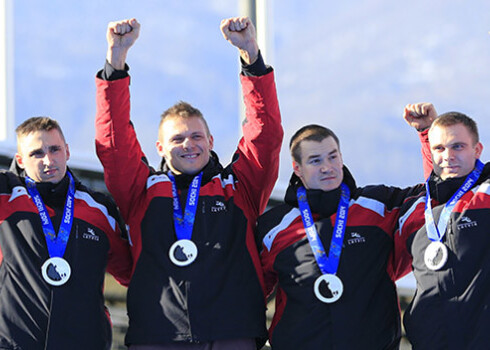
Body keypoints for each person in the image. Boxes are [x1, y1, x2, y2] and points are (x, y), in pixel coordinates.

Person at [95, 17, 282, 349]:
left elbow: (264, 134)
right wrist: (115, 64)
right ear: (160, 148)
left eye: (196, 136)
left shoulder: (239, 186)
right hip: (158, 333)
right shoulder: (143, 190)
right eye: (177, 138)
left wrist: (252, 58)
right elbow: (114, 144)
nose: (188, 144)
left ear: (210, 140)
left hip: (233, 331)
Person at [256, 123, 430, 349]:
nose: (327, 167)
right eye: (315, 160)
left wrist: (427, 134)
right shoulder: (274, 226)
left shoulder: (378, 205)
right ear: (297, 168)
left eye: (332, 157)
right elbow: (252, 294)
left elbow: (432, 197)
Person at [0, 116, 132, 350]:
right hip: (14, 341)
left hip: (83, 342)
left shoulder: (100, 208)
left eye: (54, 149)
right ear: (20, 160)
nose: (48, 160)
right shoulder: (6, 196)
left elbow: (130, 273)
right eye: (36, 153)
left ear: (67, 151)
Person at [396, 104, 489, 349]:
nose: (448, 156)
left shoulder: (486, 194)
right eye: (439, 148)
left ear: (477, 150)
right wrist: (427, 131)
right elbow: (439, 193)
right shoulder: (414, 207)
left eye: (458, 146)